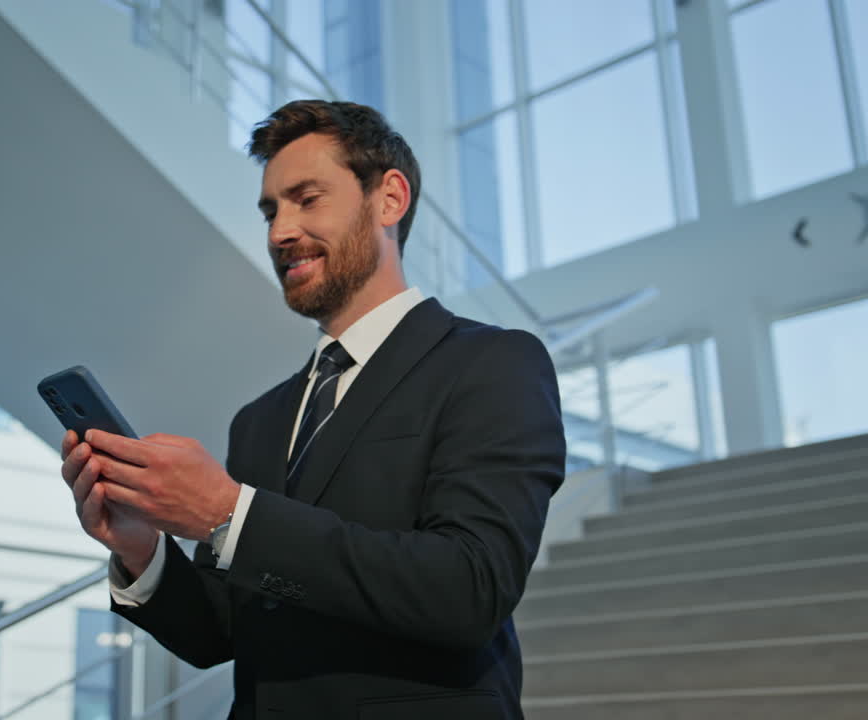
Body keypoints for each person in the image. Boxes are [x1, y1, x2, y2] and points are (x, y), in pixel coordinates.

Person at [59, 100, 565, 719]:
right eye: (271, 210)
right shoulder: (259, 419)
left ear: (389, 200)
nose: (278, 232)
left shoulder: (492, 363)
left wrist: (226, 511)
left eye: (307, 199)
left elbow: (470, 588)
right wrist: (141, 549)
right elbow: (219, 634)